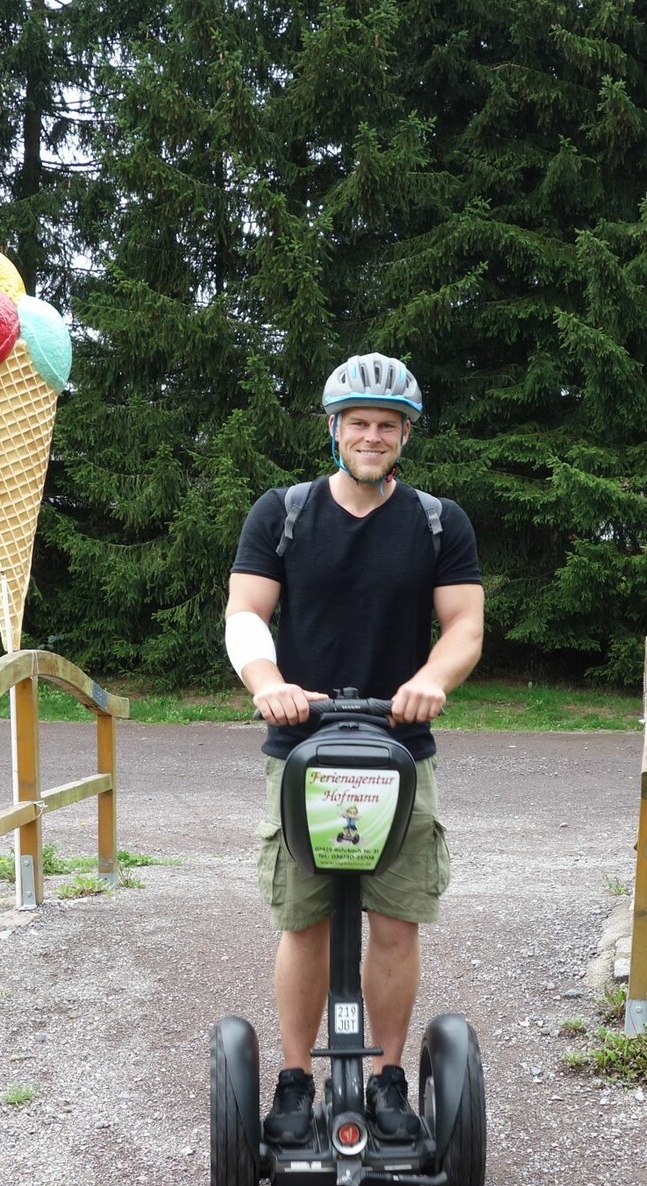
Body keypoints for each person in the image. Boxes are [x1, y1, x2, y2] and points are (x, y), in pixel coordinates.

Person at [223, 353, 484, 1145]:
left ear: (405, 435)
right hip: (301, 744)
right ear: (336, 430)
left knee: (397, 923)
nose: (373, 436)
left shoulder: (439, 521)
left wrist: (433, 679)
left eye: (388, 425)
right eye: (359, 423)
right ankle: (297, 1078)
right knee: (304, 925)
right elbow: (246, 613)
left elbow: (464, 627)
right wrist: (266, 679)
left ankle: (390, 1079)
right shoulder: (285, 512)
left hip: (400, 746)